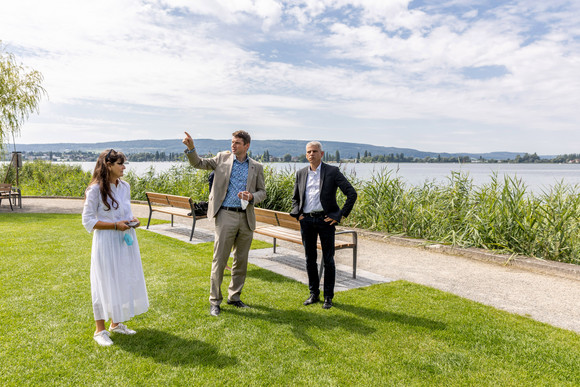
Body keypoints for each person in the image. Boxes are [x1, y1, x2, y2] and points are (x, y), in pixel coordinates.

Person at [182, 130, 266, 316]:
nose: (233, 145)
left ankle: (234, 297)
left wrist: (252, 196)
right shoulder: (222, 158)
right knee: (220, 260)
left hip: (246, 217)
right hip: (225, 215)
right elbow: (198, 163)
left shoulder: (256, 167)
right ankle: (215, 301)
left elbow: (263, 192)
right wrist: (191, 148)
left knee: (241, 261)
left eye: (237, 143)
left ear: (247, 146)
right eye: (232, 142)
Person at [82, 149, 149, 346]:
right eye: (120, 163)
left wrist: (132, 220)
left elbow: (124, 212)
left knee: (121, 279)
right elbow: (87, 221)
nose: (124, 167)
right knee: (103, 281)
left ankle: (116, 323)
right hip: (106, 241)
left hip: (125, 240)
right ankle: (99, 330)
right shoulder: (94, 190)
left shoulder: (125, 186)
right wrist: (114, 225)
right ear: (108, 165)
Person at [290, 141, 357, 309]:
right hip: (306, 221)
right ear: (306, 155)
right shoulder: (301, 173)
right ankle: (314, 294)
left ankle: (328, 297)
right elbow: (295, 198)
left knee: (328, 260)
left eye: (314, 151)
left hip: (325, 221)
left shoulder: (332, 171)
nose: (311, 154)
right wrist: (299, 214)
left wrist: (340, 215)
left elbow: (351, 193)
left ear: (322, 153)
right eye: (308, 152)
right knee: (309, 259)